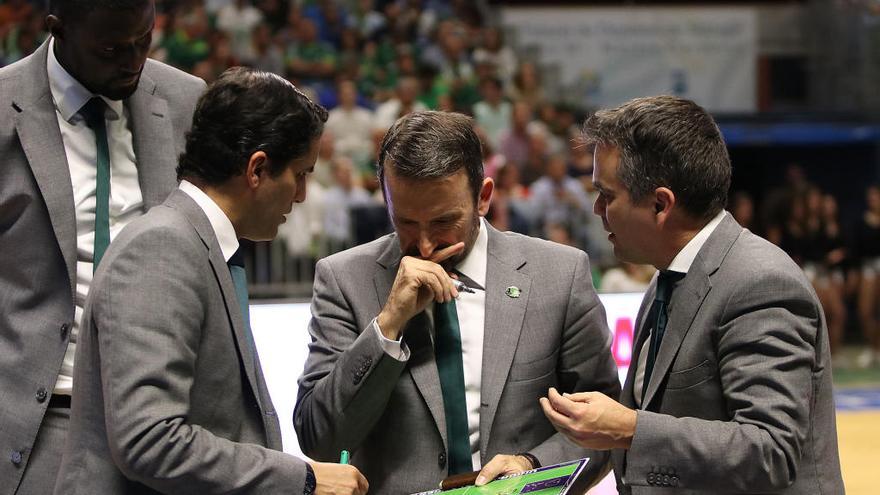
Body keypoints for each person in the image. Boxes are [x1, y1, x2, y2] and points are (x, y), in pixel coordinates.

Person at [53, 67, 368, 495]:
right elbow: (149, 439)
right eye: (300, 174)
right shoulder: (162, 248)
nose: (301, 196)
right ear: (257, 169)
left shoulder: (198, 246)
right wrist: (304, 480)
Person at [294, 110, 620, 494]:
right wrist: (387, 326)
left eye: (442, 221)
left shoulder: (559, 276)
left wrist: (531, 467)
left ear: (483, 197)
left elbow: (604, 427)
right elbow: (319, 438)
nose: (426, 244)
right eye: (407, 223)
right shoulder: (344, 279)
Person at [540, 95, 844, 494]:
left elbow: (770, 451)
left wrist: (630, 428)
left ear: (660, 204)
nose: (597, 209)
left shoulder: (759, 283)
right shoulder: (671, 275)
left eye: (607, 195)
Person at [0, 1, 205, 493]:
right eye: (112, 48)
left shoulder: (186, 100)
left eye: (144, 40)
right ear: (58, 31)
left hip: (165, 414)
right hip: (39, 413)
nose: (133, 60)